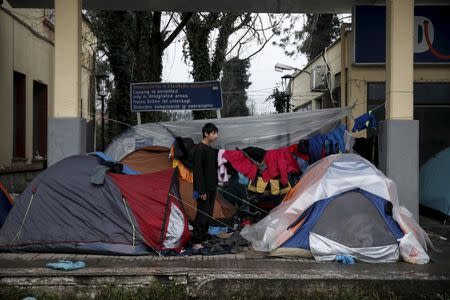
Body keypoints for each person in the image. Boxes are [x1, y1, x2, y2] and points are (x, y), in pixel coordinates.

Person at [192, 123, 219, 250]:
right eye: (213, 133)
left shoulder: (211, 150)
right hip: (203, 190)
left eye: (216, 133)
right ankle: (196, 240)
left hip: (212, 188)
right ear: (206, 134)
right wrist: (201, 190)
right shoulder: (199, 149)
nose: (216, 136)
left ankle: (203, 238)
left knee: (208, 215)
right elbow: (198, 172)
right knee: (202, 215)